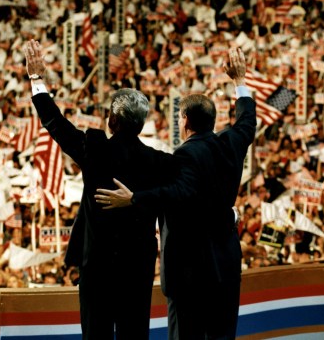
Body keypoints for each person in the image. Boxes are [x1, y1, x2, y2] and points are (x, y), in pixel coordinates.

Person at [96, 47, 256, 340]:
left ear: (184, 120)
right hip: (226, 264)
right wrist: (240, 81)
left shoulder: (183, 156)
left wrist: (133, 198)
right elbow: (247, 120)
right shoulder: (232, 143)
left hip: (189, 273)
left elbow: (177, 192)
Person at [24, 39, 177, 340]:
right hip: (137, 267)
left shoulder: (95, 149)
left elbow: (55, 123)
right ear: (140, 125)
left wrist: (36, 78)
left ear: (113, 120)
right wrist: (136, 200)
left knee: (96, 334)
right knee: (134, 334)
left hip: (97, 266)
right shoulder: (158, 162)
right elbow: (182, 191)